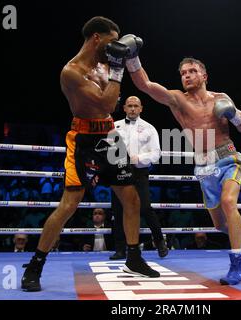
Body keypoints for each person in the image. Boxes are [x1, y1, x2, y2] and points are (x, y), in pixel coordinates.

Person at [21, 17, 159, 292]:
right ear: (96, 37)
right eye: (111, 40)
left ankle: (133, 257)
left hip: (109, 135)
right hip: (83, 139)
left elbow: (120, 97)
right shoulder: (71, 72)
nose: (114, 47)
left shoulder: (104, 63)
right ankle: (35, 265)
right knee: (69, 204)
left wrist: (130, 58)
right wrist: (118, 67)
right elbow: (109, 101)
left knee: (131, 199)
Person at [122, 34, 241, 285]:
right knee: (218, 224)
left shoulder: (221, 98)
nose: (187, 75)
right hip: (203, 165)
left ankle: (236, 264)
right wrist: (132, 58)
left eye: (192, 71)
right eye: (183, 72)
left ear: (204, 76)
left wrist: (234, 114)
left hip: (229, 158)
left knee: (229, 202)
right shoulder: (177, 99)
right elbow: (146, 86)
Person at [110, 96, 168, 260]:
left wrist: (139, 159)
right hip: (118, 172)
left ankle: (160, 242)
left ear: (141, 108)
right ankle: (121, 249)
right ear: (124, 108)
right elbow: (107, 149)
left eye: (136, 106)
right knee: (118, 210)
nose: (133, 109)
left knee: (145, 208)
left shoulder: (149, 128)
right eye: (130, 106)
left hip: (139, 172)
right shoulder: (115, 126)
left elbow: (156, 154)